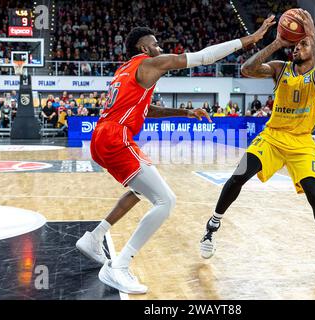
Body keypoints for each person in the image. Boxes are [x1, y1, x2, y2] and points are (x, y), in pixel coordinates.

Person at [76, 20, 273, 294]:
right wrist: (248, 40)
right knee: (166, 200)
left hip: (101, 137)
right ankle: (118, 266)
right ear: (144, 47)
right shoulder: (149, 62)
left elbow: (147, 110)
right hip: (115, 137)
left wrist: (186, 112)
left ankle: (94, 237)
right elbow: (202, 56)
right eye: (155, 43)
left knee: (138, 190)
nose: (160, 47)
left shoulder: (125, 70)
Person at [199, 9, 315, 274]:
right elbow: (247, 69)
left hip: (301, 143)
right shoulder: (281, 69)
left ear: (313, 48)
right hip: (272, 137)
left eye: (303, 44)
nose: (297, 47)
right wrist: (278, 42)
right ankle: (212, 226)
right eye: (297, 43)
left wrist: (312, 35)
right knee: (237, 176)